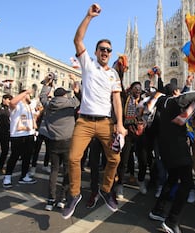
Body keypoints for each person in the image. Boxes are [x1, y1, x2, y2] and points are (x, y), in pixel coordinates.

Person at [61, 3, 127, 219]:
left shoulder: (114, 75)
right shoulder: (88, 65)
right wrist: (88, 17)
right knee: (73, 157)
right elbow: (77, 40)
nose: (106, 52)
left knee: (115, 160)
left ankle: (106, 190)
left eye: (109, 50)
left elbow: (117, 100)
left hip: (107, 123)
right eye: (102, 49)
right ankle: (73, 194)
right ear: (97, 52)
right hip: (85, 122)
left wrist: (119, 124)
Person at [148, 83, 195, 233]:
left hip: (168, 148)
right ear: (175, 92)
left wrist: (194, 104)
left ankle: (157, 210)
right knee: (187, 183)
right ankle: (171, 221)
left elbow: (181, 118)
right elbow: (182, 112)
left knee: (172, 179)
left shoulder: (163, 104)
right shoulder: (170, 101)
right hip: (177, 148)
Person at [38, 81, 80, 211]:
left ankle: (50, 200)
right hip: (67, 141)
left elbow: (42, 96)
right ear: (64, 95)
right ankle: (62, 198)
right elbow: (79, 97)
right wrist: (76, 85)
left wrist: (47, 84)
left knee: (54, 170)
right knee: (67, 170)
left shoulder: (49, 104)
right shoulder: (70, 104)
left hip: (53, 142)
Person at [2, 89, 37, 188]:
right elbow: (12, 102)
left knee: (27, 157)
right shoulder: (17, 106)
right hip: (17, 135)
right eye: (28, 95)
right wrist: (25, 93)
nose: (29, 96)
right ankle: (7, 177)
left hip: (29, 134)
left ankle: (24, 176)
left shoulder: (29, 106)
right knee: (14, 156)